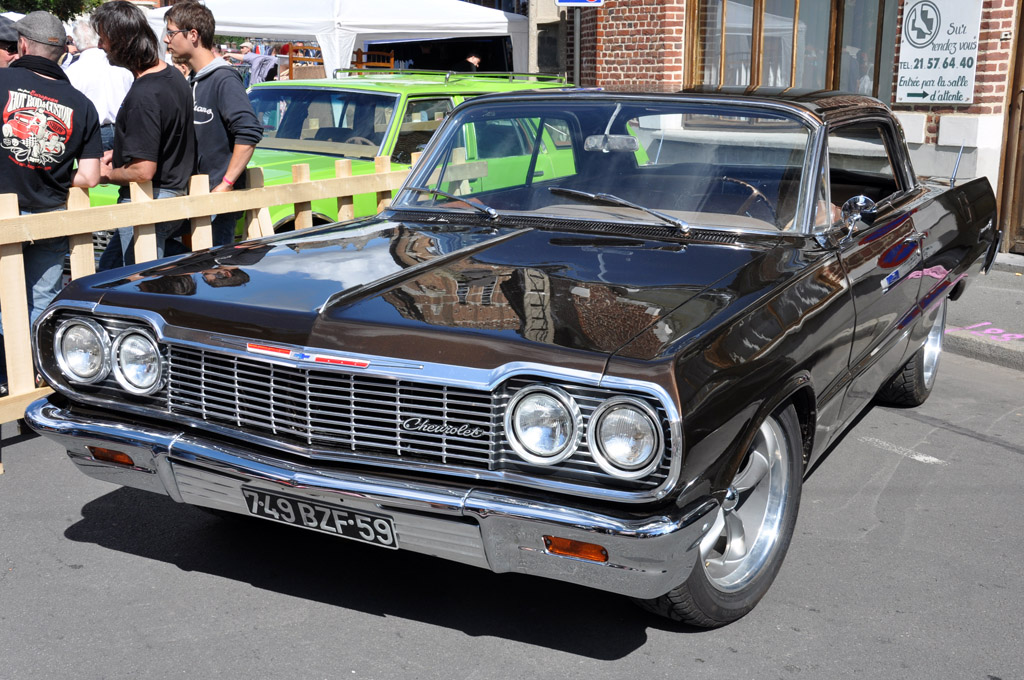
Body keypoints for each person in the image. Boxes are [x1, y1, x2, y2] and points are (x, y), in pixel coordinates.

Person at [0, 11, 102, 396]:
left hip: (3, 214)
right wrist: (55, 175)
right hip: (49, 214)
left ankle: (8, 377)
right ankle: (34, 379)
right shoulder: (82, 103)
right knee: (40, 300)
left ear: (23, 44)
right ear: (62, 53)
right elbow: (90, 176)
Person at [90, 0, 195, 271]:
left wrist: (107, 174)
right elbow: (162, 139)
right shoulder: (173, 77)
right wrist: (120, 152)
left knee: (141, 284)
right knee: (110, 271)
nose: (100, 46)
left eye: (104, 39)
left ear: (121, 41)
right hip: (169, 196)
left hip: (149, 200)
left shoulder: (144, 94)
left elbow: (142, 171)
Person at [164, 1, 262, 247]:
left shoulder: (223, 78)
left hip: (216, 201)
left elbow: (249, 132)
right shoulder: (193, 80)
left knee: (215, 266)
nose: (166, 40)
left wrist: (226, 184)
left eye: (171, 33)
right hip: (194, 196)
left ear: (193, 34)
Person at [63, 17, 133, 152]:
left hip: (95, 133)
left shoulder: (72, 73)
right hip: (124, 130)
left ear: (76, 43)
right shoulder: (122, 67)